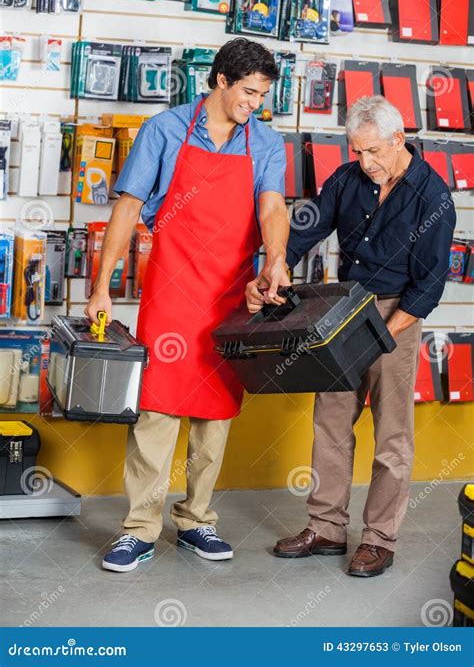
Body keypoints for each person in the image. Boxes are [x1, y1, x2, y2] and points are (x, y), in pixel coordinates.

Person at [85, 38, 290, 573]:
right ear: (220, 80)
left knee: (215, 412)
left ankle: (197, 520)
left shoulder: (265, 142)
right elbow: (128, 209)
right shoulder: (166, 130)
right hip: (171, 289)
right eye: (248, 92)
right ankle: (140, 529)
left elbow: (271, 206)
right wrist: (102, 286)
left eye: (262, 94)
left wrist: (276, 259)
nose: (254, 103)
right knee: (156, 408)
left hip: (230, 294)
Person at [246, 95, 456, 577]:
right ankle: (326, 528)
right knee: (331, 423)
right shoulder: (347, 179)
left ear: (399, 139)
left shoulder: (433, 198)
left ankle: (379, 539)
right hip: (343, 309)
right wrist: (275, 267)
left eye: (373, 152)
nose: (365, 162)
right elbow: (308, 229)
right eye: (356, 151)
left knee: (392, 435)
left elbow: (428, 287)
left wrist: (382, 332)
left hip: (394, 315)